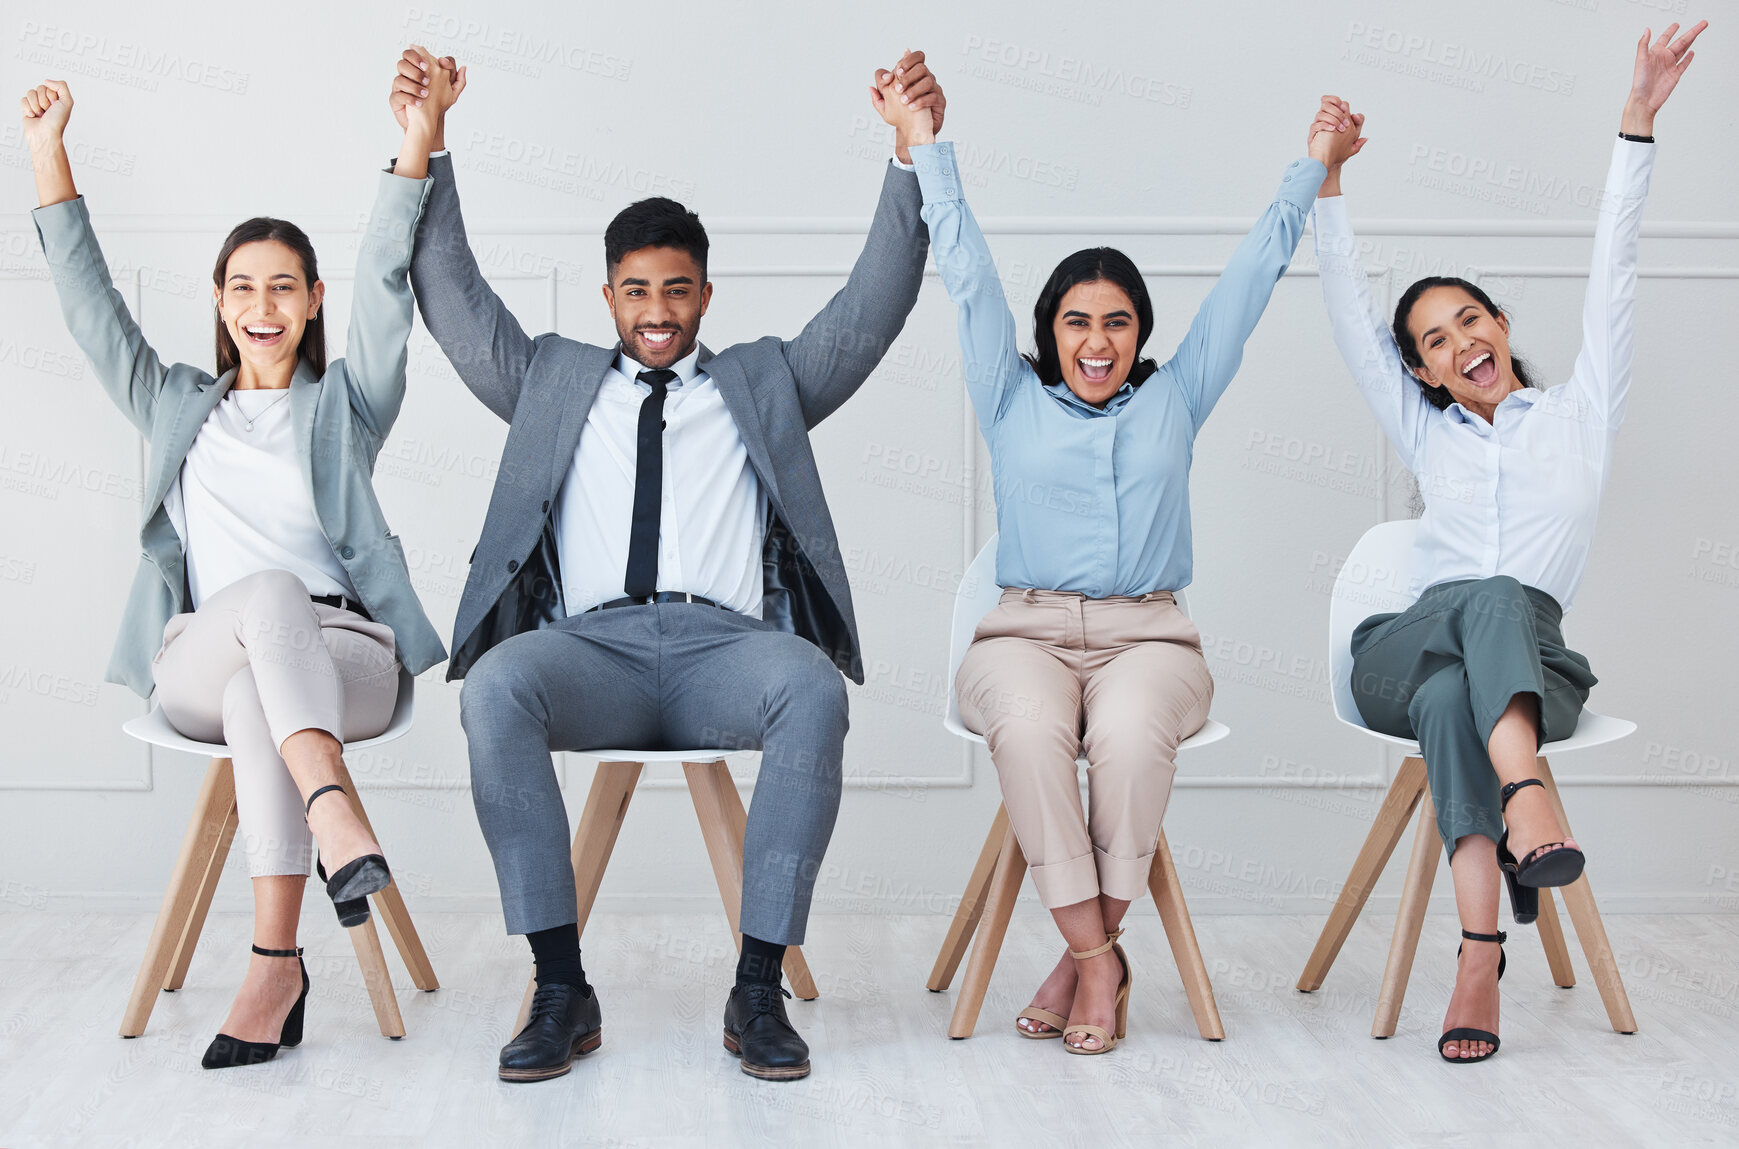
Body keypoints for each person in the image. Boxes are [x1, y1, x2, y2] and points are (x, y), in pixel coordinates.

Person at [386, 48, 944, 1083]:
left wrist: (909, 158)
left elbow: (872, 307)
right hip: (588, 650)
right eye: (636, 290)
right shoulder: (550, 381)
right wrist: (428, 148)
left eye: (676, 290)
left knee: (811, 689)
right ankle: (560, 987)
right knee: (498, 685)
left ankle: (755, 991)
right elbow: (453, 302)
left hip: (723, 651)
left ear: (704, 294)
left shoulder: (760, 382)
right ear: (608, 295)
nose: (656, 309)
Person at [874, 77, 1354, 1052]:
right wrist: (922, 142)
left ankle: (1079, 957)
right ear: (1049, 334)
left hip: (1150, 636)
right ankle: (1100, 962)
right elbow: (964, 270)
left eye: (1117, 323)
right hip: (1020, 631)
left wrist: (1317, 165)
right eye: (1076, 323)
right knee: (1027, 726)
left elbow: (1249, 278)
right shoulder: (1007, 398)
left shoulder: (1172, 400)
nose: (1096, 341)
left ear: (1139, 335)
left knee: (1132, 736)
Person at [21, 64, 455, 1068]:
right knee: (261, 603)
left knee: (275, 687)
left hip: (340, 651)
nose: (264, 304)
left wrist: (416, 140)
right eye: (244, 286)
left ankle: (273, 965)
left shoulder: (346, 407)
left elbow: (389, 285)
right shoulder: (175, 403)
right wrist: (48, 157)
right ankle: (333, 808)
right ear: (220, 300)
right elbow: (90, 309)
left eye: (285, 287)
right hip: (199, 660)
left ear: (310, 305)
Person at [1309, 21, 1707, 1063]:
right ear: (1426, 376)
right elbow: (1352, 327)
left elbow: (1610, 272)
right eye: (1432, 343)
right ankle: (1528, 798)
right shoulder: (1421, 429)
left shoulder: (1579, 416)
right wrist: (1328, 184)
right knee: (1482, 599)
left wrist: (1634, 122)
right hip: (1394, 651)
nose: (1459, 343)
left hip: (1533, 671)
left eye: (1468, 319)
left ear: (1496, 324)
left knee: (1466, 681)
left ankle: (1476, 955)